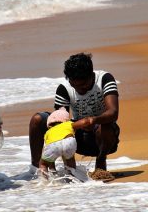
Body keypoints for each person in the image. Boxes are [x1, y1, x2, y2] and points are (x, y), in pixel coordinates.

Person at [29, 52, 120, 180]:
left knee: (105, 125)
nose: (79, 89)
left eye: (83, 85)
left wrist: (92, 120)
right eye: (74, 85)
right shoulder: (64, 88)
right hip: (77, 137)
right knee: (37, 119)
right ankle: (36, 169)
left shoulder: (104, 79)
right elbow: (59, 126)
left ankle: (100, 162)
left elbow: (113, 113)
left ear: (91, 75)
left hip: (103, 138)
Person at [39, 107, 92, 175]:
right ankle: (73, 177)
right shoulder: (68, 124)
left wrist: (52, 168)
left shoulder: (48, 132)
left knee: (43, 163)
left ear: (49, 125)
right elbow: (84, 122)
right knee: (70, 162)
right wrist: (89, 121)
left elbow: (48, 148)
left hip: (53, 145)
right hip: (68, 141)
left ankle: (45, 180)